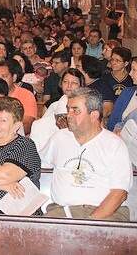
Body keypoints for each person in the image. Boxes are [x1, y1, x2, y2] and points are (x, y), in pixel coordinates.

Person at [41, 88, 133, 221]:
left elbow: (119, 193)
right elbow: (36, 166)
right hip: (63, 212)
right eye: (68, 109)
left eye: (75, 110)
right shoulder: (59, 138)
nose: (68, 115)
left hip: (108, 213)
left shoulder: (114, 144)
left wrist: (89, 223)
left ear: (94, 115)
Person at [30, 68, 84, 152]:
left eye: (74, 83)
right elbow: (43, 127)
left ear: (81, 86)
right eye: (65, 82)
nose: (69, 86)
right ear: (61, 84)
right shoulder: (52, 104)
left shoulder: (86, 106)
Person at [107, 56, 137, 132]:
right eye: (131, 69)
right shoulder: (127, 92)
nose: (130, 73)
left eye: (134, 70)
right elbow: (113, 121)